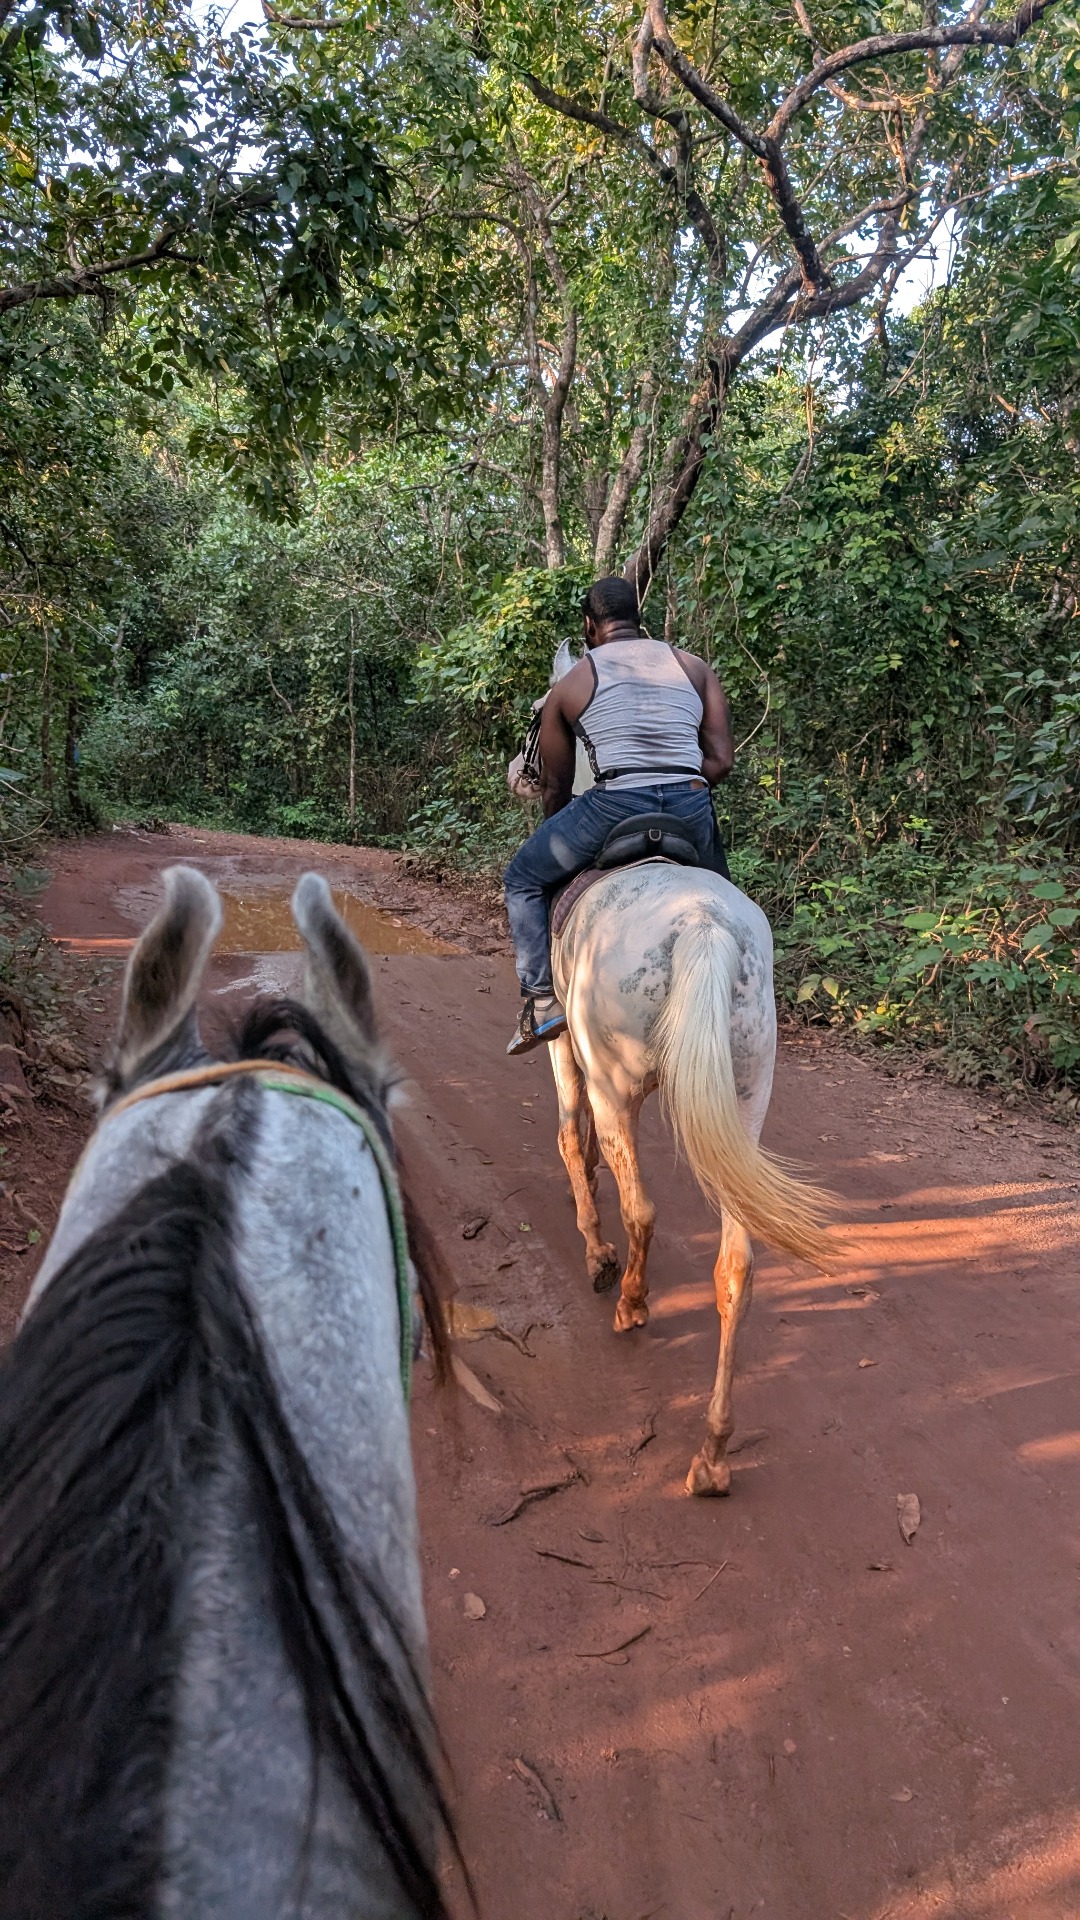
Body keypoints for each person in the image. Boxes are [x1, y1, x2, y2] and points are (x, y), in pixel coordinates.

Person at [504, 575, 735, 1056]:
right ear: (637, 619)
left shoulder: (574, 682)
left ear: (590, 626)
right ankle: (735, 985)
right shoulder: (693, 668)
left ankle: (542, 1001)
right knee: (725, 905)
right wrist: (680, 790)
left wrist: (559, 824)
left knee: (523, 878)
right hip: (691, 805)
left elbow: (557, 786)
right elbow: (721, 762)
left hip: (614, 806)